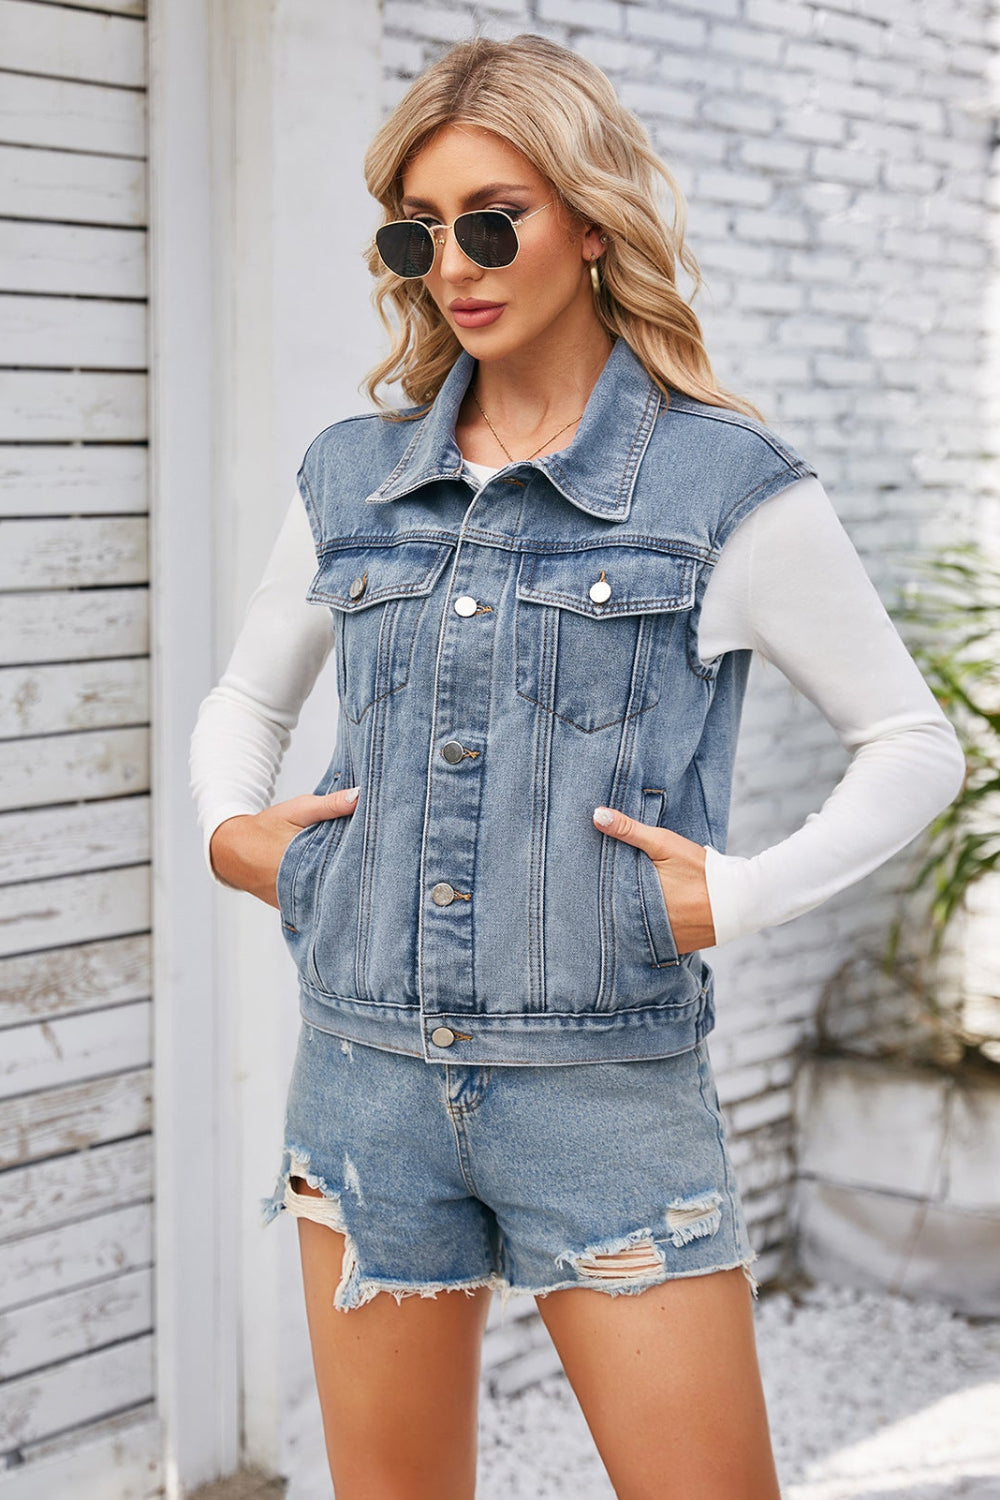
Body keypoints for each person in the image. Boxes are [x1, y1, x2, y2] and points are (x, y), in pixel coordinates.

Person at [189, 32, 967, 1500]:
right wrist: (237, 834)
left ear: (592, 222)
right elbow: (243, 694)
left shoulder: (721, 486)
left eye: (494, 219)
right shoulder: (353, 477)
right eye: (419, 233)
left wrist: (738, 897)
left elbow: (909, 746)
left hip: (605, 1093)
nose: (454, 265)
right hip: (362, 1079)